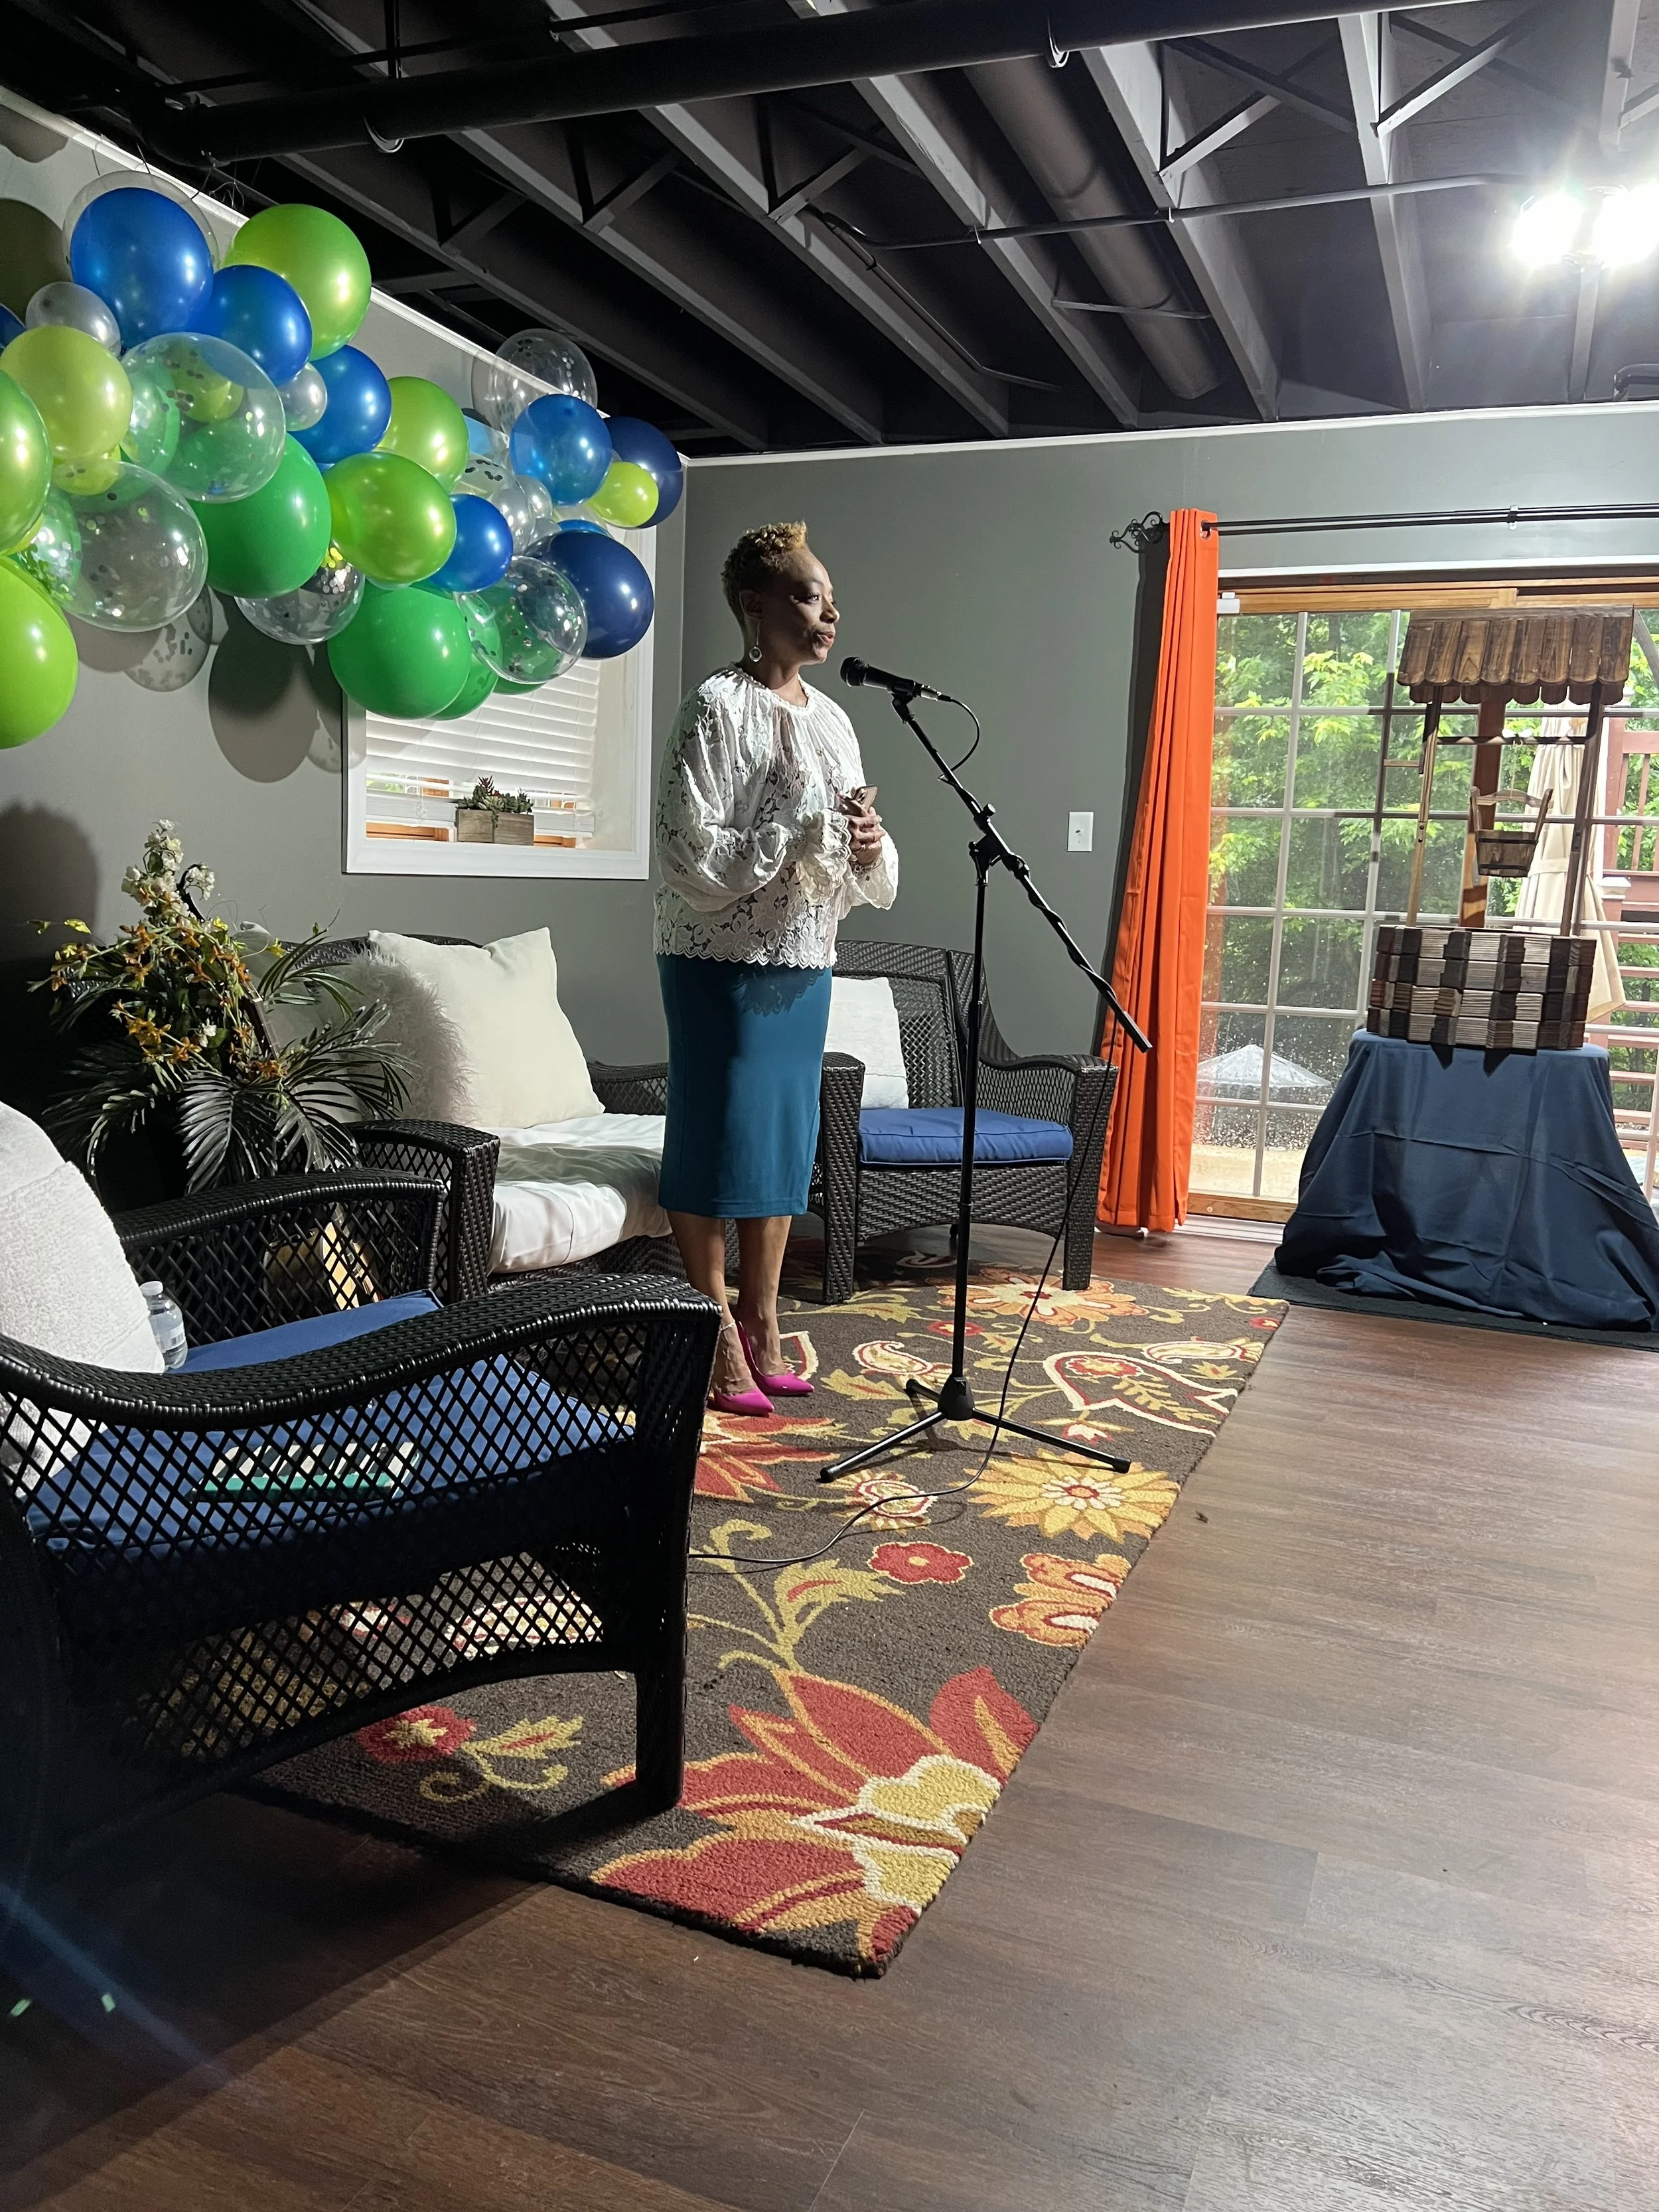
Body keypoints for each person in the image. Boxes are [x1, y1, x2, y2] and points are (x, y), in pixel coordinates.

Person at [654, 520, 897, 1413]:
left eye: (829, 596)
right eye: (806, 593)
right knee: (720, 1139)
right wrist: (797, 831)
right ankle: (711, 1329)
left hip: (806, 958)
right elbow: (687, 853)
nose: (827, 611)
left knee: (782, 1146)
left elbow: (843, 861)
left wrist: (866, 844)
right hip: (718, 959)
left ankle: (762, 1321)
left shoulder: (834, 719)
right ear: (755, 605)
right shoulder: (714, 706)